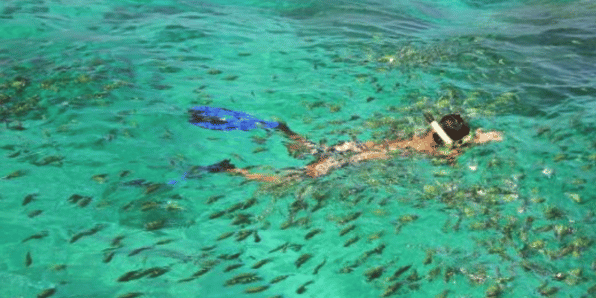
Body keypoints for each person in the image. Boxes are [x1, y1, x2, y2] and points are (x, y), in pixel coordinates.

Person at [215, 113, 503, 183]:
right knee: (296, 178)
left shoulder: (419, 135)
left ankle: (282, 129)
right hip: (359, 159)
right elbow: (453, 157)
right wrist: (474, 142)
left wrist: (470, 137)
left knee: (313, 146)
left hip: (356, 146)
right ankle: (234, 170)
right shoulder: (434, 152)